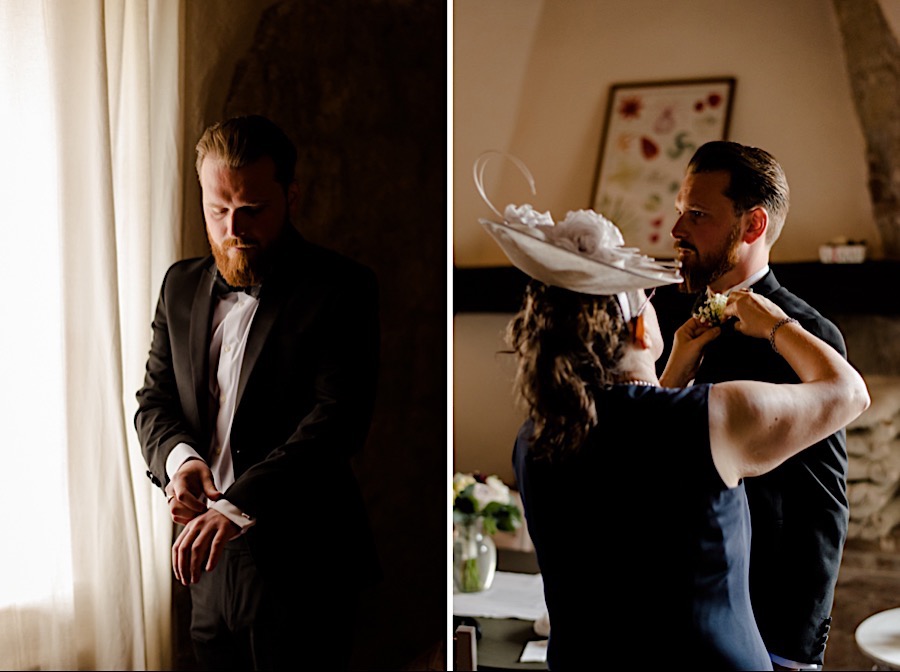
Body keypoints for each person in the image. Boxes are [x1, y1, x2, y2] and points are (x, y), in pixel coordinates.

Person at [476, 204, 869, 670]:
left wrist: (676, 367)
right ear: (642, 328)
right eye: (649, 301)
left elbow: (635, 454)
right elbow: (849, 393)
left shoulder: (537, 435)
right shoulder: (711, 418)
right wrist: (776, 324)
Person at [135, 114, 381, 671]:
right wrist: (182, 462)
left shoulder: (341, 288)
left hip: (306, 564)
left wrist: (239, 504)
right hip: (206, 561)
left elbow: (338, 421)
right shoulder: (179, 284)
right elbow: (155, 401)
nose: (233, 229)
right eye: (217, 210)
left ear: (290, 197)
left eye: (252, 210)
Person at [662, 140, 850, 670]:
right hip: (687, 615)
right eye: (680, 212)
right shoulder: (679, 327)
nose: (676, 230)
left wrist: (795, 650)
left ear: (752, 225)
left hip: (767, 633)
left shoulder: (807, 335)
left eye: (697, 215)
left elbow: (822, 501)